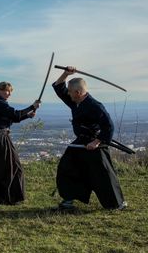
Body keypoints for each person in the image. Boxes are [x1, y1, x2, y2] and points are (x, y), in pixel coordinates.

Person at [52, 66, 127, 210]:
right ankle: (68, 200)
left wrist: (97, 141)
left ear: (78, 92)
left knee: (102, 174)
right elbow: (58, 87)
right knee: (67, 167)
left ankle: (117, 204)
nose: (68, 93)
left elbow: (108, 126)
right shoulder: (75, 101)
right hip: (80, 142)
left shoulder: (95, 106)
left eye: (70, 91)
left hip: (94, 144)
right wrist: (65, 74)